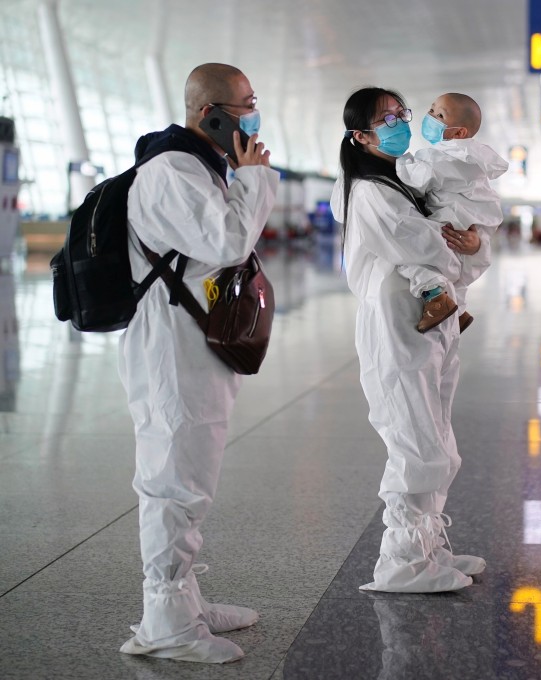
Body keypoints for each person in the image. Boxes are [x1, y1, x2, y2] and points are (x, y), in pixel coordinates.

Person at [117, 63, 277, 664]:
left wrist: (242, 176)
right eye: (244, 104)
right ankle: (164, 624)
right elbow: (229, 241)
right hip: (171, 345)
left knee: (189, 470)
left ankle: (182, 600)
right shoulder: (173, 170)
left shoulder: (199, 166)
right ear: (207, 111)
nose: (252, 115)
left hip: (191, 339)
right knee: (173, 477)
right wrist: (256, 179)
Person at [330, 87, 489, 593]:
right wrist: (455, 246)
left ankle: (426, 545)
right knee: (414, 442)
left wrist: (472, 242)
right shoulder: (370, 191)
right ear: (361, 135)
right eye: (387, 118)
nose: (401, 122)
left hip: (430, 324)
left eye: (403, 113)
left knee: (438, 439)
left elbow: (458, 251)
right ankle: (400, 561)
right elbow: (427, 246)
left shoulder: (404, 181)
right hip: (397, 324)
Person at [395, 92, 508, 333]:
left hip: (452, 218)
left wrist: (399, 160)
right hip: (469, 220)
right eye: (432, 109)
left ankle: (436, 299)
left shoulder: (443, 156)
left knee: (411, 254)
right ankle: (460, 309)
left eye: (440, 115)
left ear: (459, 133)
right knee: (456, 269)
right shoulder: (473, 156)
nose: (430, 116)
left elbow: (416, 180)